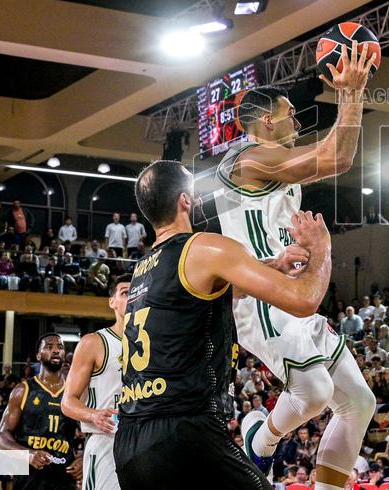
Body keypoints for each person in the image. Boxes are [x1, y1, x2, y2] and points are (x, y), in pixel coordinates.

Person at [112, 160, 334, 490]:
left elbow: (225, 286)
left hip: (130, 444)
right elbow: (305, 301)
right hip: (184, 433)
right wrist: (322, 249)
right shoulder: (206, 246)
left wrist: (275, 265)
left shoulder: (143, 270)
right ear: (185, 200)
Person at [216, 48, 377, 490]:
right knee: (315, 392)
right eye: (291, 115)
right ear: (267, 121)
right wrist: (351, 94)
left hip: (288, 289)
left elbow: (332, 156)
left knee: (360, 402)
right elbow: (337, 157)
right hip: (260, 295)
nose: (298, 124)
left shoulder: (270, 167)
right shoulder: (250, 159)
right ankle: (260, 439)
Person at [61, 274, 130, 490]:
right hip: (107, 441)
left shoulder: (155, 344)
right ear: (112, 302)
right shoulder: (95, 342)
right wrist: (93, 415)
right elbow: (68, 402)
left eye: (137, 292)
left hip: (145, 441)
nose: (132, 298)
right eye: (125, 293)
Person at [0, 334, 82, 490]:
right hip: (29, 475)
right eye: (49, 347)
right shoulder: (23, 390)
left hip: (64, 475)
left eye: (60, 347)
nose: (56, 350)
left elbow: (91, 432)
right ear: (38, 355)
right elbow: (1, 436)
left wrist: (84, 458)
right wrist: (28, 454)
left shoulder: (74, 393)